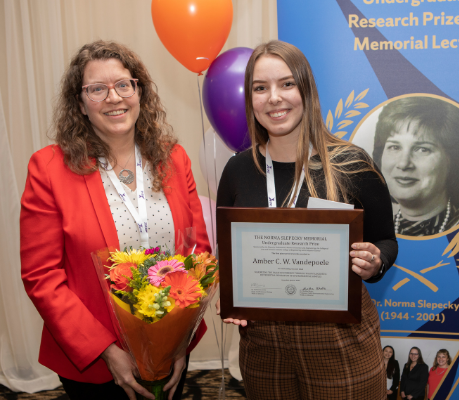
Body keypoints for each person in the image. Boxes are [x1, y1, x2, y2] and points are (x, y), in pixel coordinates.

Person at [20, 40, 210, 400]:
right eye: (97, 89)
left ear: (139, 91)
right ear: (80, 103)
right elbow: (41, 276)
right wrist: (108, 351)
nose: (114, 98)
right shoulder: (48, 169)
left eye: (124, 84)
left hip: (169, 350)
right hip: (94, 361)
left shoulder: (174, 158)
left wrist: (181, 339)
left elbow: (197, 253)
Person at [216, 40, 398, 399]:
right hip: (263, 345)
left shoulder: (351, 163)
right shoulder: (238, 169)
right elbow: (228, 253)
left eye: (286, 84)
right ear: (250, 100)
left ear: (306, 90)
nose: (274, 98)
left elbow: (386, 241)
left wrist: (375, 261)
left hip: (339, 340)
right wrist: (229, 292)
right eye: (260, 88)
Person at [372, 96, 459, 236]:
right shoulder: (376, 232)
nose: (403, 164)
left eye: (422, 149)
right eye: (394, 147)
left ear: (454, 161)